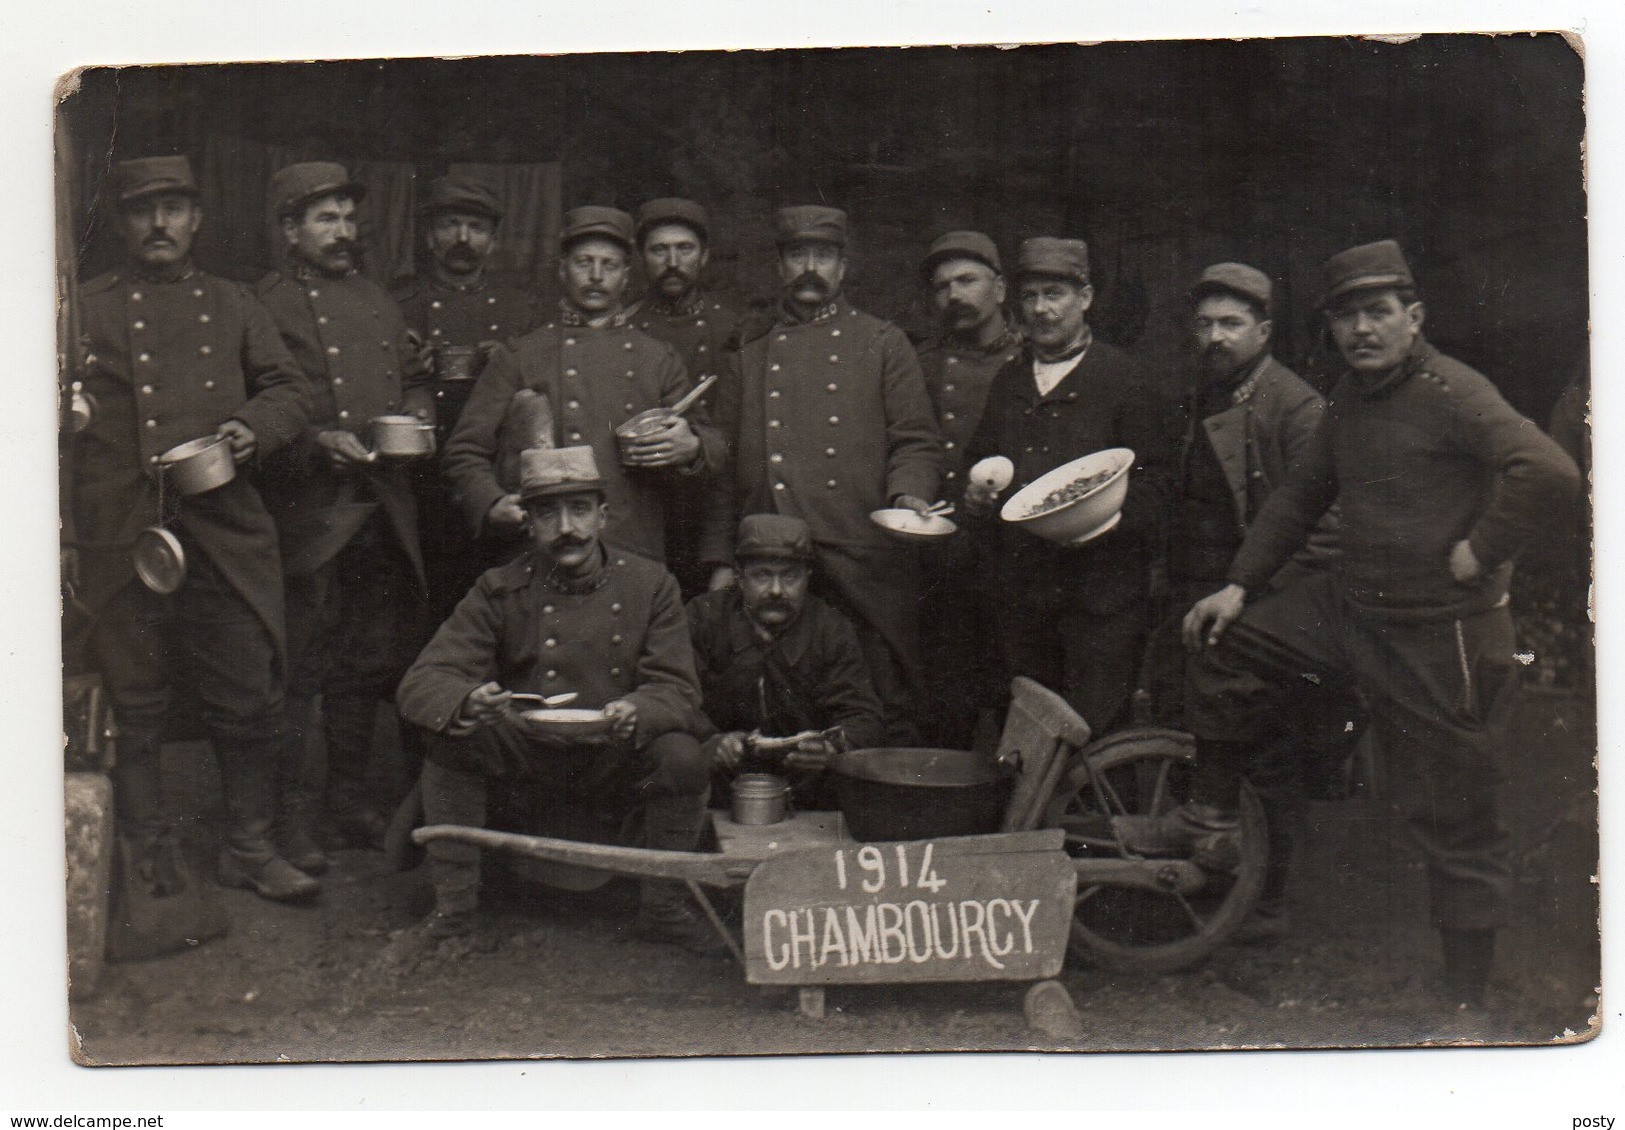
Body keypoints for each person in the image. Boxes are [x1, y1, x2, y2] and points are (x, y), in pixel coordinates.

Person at [1165, 240, 1581, 1008]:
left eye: (1377, 312)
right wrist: (1236, 585)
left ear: (1412, 317)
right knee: (1221, 637)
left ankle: (1462, 999)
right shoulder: (1348, 399)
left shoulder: (1453, 391)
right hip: (1350, 608)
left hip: (1438, 631)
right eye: (1345, 316)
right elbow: (1298, 497)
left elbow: (1547, 469)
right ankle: (1214, 817)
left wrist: (1480, 549)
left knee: (1454, 812)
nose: (1360, 329)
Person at [65, 156, 316, 902]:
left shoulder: (235, 304)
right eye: (144, 211)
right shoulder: (87, 308)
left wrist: (247, 432)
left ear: (197, 218)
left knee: (248, 694)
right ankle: (146, 851)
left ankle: (249, 846)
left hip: (220, 528)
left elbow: (291, 389)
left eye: (174, 208)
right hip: (124, 531)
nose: (160, 224)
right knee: (136, 702)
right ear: (122, 223)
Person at [395, 446, 714, 954]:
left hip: (614, 753)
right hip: (529, 753)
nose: (566, 527)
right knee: (456, 740)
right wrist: (468, 700)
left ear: (603, 515)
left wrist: (639, 709)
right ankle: (454, 916)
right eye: (548, 512)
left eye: (580, 510)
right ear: (528, 522)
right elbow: (424, 681)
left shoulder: (651, 585)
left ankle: (663, 908)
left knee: (682, 756)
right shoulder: (499, 588)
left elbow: (678, 688)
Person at [1142, 261, 1341, 941]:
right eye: (1203, 325)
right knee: (1199, 747)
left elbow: (1324, 528)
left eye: (1230, 324)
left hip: (1266, 604)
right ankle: (1212, 879)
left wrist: (1254, 598)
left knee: (1264, 755)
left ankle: (1267, 900)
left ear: (1263, 329)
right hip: (1196, 593)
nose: (1214, 337)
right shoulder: (1198, 395)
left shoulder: (1296, 406)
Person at [706, 205, 943, 744]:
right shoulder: (751, 355)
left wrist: (908, 494)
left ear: (843, 266)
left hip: (861, 558)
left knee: (878, 701)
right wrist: (721, 561)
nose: (810, 267)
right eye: (797, 255)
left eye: (824, 255)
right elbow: (723, 475)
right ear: (780, 266)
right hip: (777, 561)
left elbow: (917, 440)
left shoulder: (884, 343)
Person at [256, 161, 435, 865]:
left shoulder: (378, 301)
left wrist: (417, 418)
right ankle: (291, 815)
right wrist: (310, 444)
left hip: (380, 508)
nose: (342, 232)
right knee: (300, 666)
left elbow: (413, 378)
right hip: (308, 513)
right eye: (324, 219)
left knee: (363, 663)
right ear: (288, 230)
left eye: (347, 218)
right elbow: (253, 410)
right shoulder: (263, 305)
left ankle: (349, 799)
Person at [964, 237, 1175, 736]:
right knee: (1028, 732)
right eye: (1031, 296)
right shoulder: (1010, 381)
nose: (1041, 309)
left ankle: (1099, 817)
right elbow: (977, 457)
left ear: (1085, 298)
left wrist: (1111, 521)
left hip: (1100, 599)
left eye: (1054, 294)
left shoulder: (1127, 380)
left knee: (1095, 732)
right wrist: (973, 494)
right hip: (1022, 595)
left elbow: (1160, 481)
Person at [443, 206, 725, 567]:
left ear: (626, 276)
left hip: (633, 549)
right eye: (583, 262)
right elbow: (464, 450)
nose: (595, 276)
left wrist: (691, 446)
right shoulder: (520, 354)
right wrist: (491, 501)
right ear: (562, 270)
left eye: (608, 265)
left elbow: (714, 445)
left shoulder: (657, 358)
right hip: (539, 551)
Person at [392, 175, 541, 623]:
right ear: (428, 236)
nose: (462, 239)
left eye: (476, 228)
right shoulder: (398, 304)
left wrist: (513, 364)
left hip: (494, 477)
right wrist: (405, 369)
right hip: (420, 477)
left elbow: (544, 393)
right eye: (450, 225)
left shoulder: (521, 310)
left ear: (493, 241)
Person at [687, 514, 885, 808]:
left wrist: (831, 748)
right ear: (740, 577)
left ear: (807, 577)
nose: (777, 590)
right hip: (717, 783)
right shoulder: (703, 618)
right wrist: (710, 740)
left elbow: (863, 715)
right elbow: (675, 696)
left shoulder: (831, 628)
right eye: (763, 575)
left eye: (790, 576)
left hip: (807, 788)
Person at [914, 231, 1023, 749]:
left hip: (1016, 548)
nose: (954, 295)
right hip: (946, 547)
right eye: (942, 287)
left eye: (968, 281)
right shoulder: (921, 361)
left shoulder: (1031, 359)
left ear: (1000, 289)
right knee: (944, 697)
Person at [628, 197, 741, 597]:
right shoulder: (622, 330)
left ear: (705, 256)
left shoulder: (737, 331)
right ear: (641, 257)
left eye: (684, 249)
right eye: (659, 250)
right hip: (643, 506)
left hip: (717, 508)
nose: (672, 261)